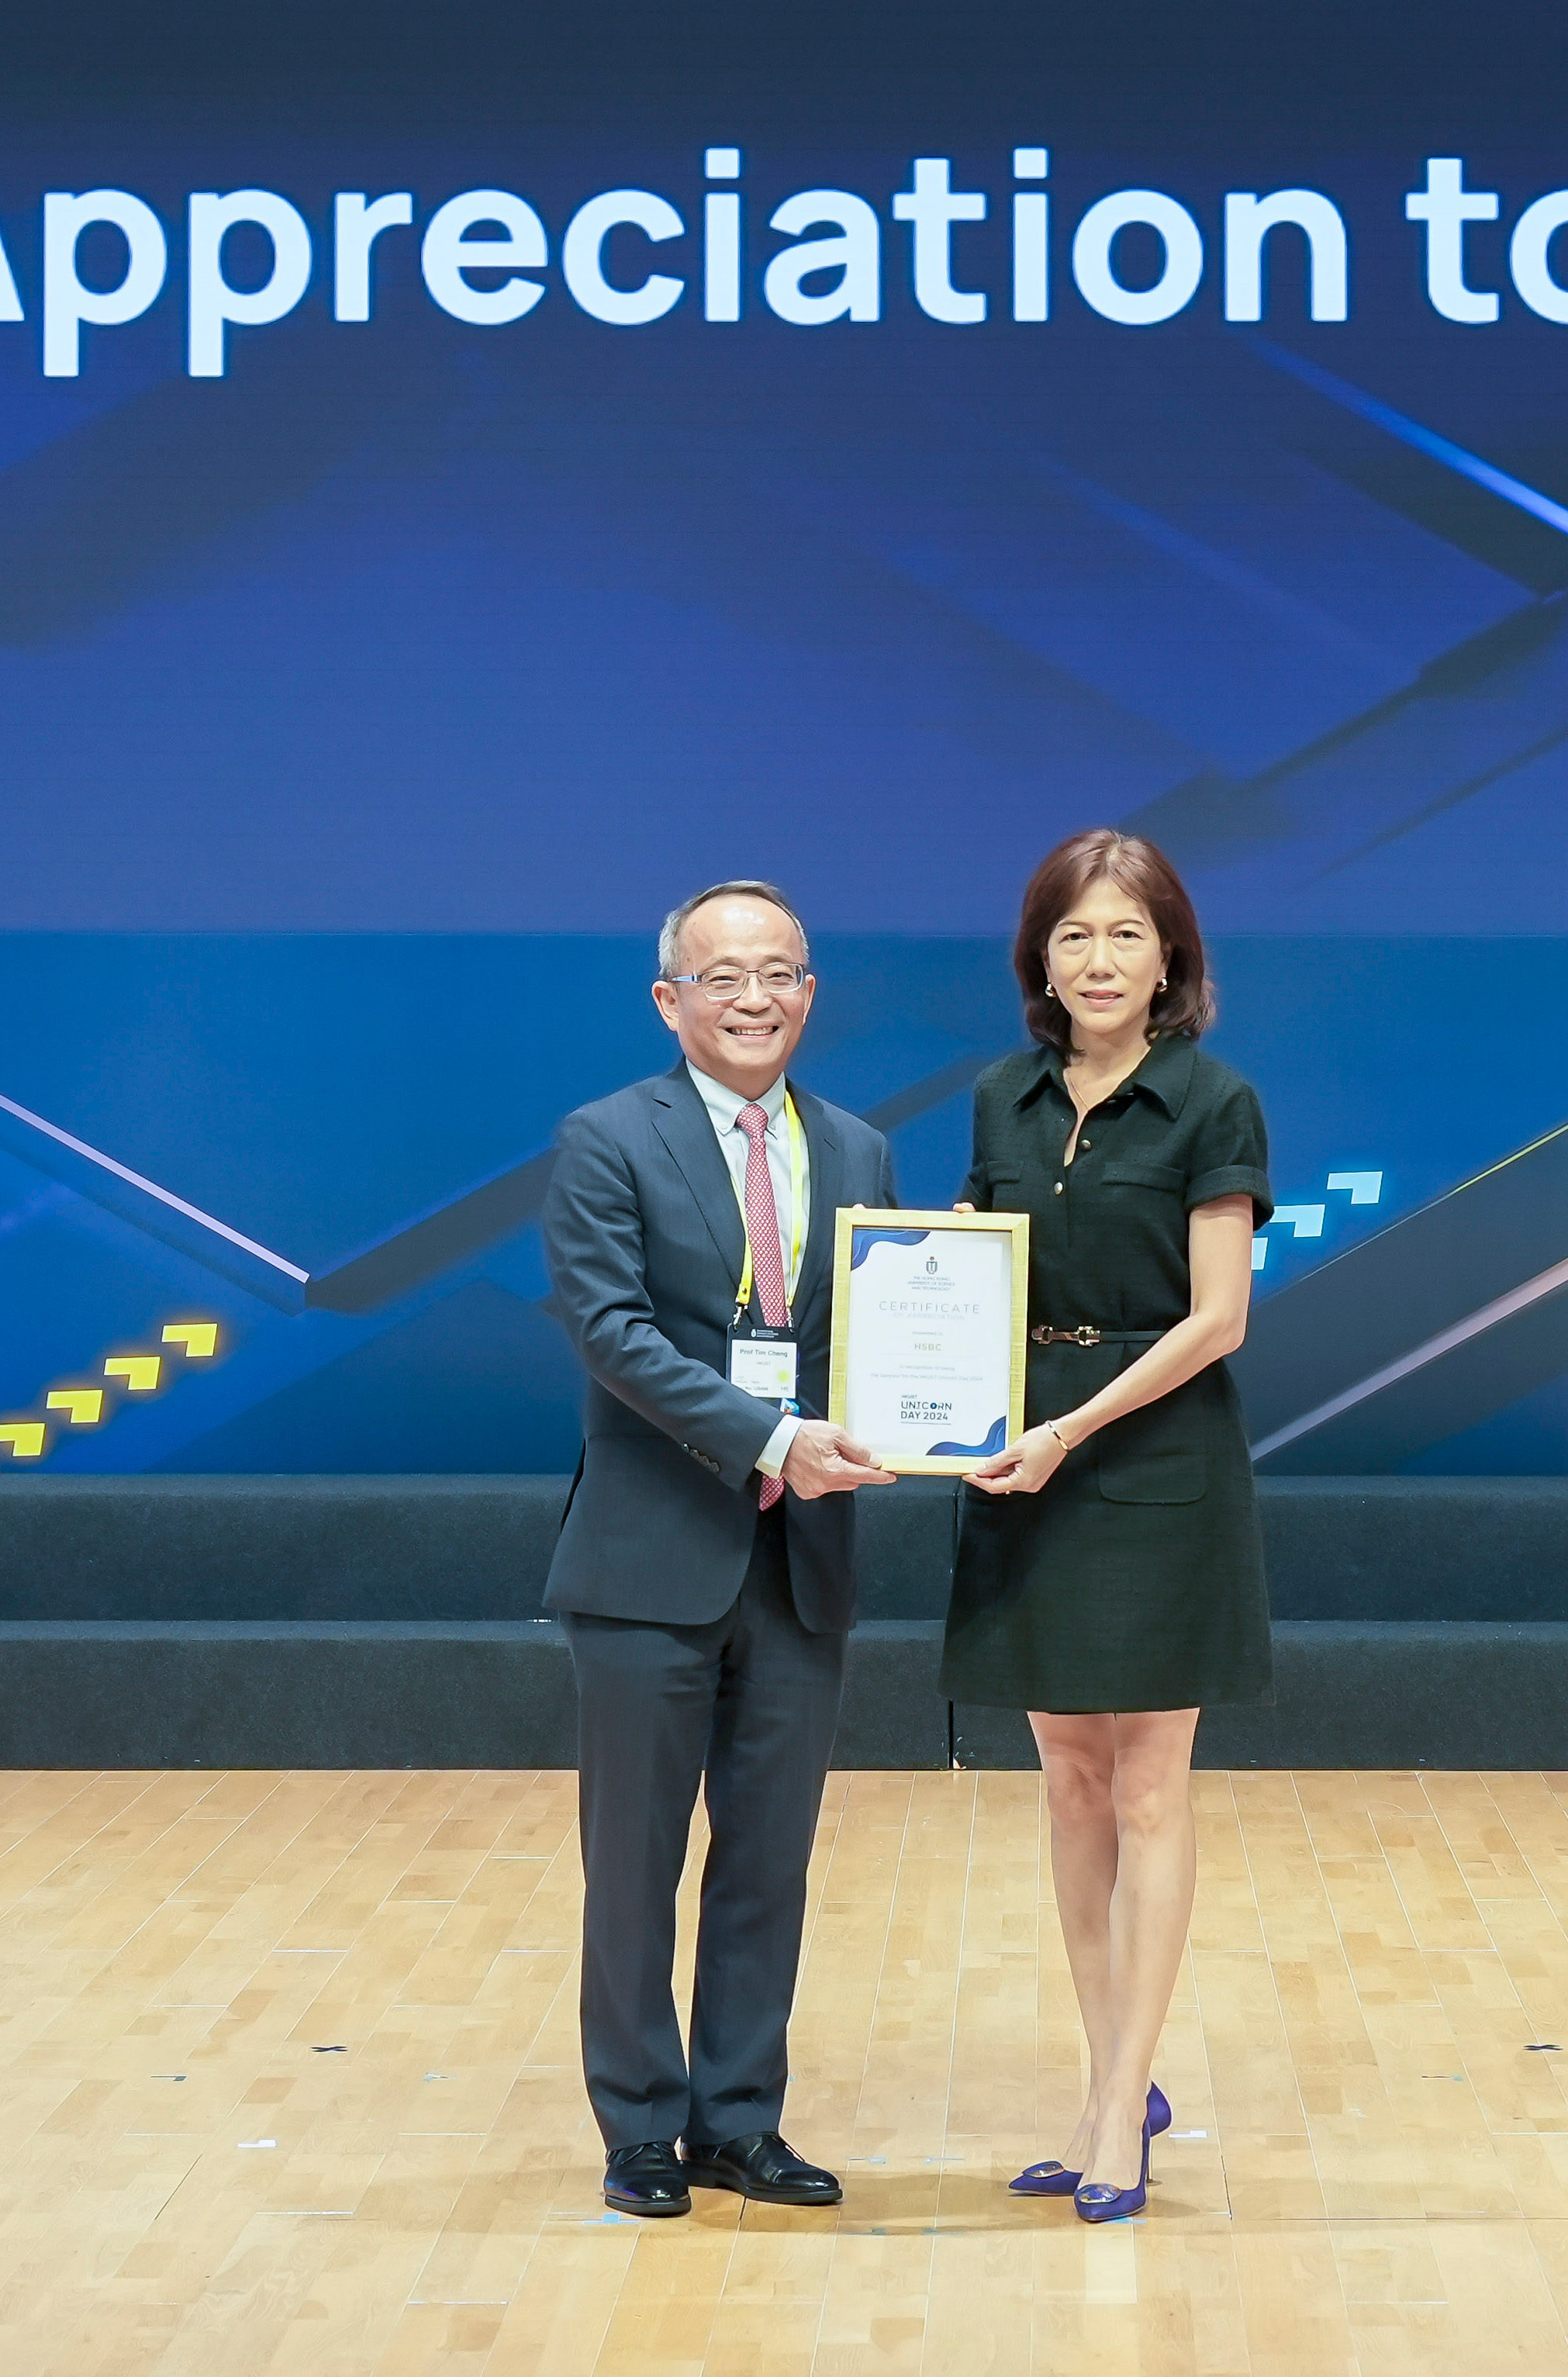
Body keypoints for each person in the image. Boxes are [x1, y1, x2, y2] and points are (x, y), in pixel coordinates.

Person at [537, 879, 898, 2221]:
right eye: (724, 975)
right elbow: (610, 1333)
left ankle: (738, 2120)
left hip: (801, 1561)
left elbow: (879, 1330)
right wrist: (767, 1437)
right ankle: (637, 2126)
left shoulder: (858, 1150)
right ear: (669, 1000)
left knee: (768, 1860)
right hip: (649, 1558)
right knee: (631, 1861)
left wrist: (926, 1415)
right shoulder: (603, 1139)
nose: (754, 998)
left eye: (780, 973)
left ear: (810, 991)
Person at [948, 825, 1276, 2223]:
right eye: (1074, 934)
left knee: (1148, 1786)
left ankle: (1120, 2110)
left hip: (1150, 1469)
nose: (1098, 958)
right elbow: (958, 1280)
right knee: (1067, 1784)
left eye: (1126, 934)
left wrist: (1067, 1429)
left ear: (1169, 960)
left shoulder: (1213, 1102)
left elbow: (1217, 1321)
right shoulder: (998, 1100)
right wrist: (940, 1416)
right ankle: (1106, 2078)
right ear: (1040, 955)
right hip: (1015, 1466)